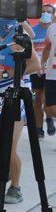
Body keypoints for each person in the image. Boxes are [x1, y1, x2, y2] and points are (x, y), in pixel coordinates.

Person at [0, 15, 40, 204]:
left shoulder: (18, 38)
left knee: (8, 147)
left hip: (18, 93)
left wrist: (3, 73)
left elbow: (35, 65)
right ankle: (1, 170)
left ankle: (16, 188)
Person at [30, 4, 55, 137]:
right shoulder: (32, 31)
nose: (45, 14)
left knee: (46, 100)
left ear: (53, 14)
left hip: (50, 71)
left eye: (49, 12)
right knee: (36, 101)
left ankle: (49, 118)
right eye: (43, 11)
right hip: (35, 71)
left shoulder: (53, 30)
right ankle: (39, 129)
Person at [41, 12, 56, 145]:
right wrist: (42, 64)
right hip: (52, 74)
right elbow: (47, 47)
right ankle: (50, 119)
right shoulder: (52, 28)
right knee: (50, 108)